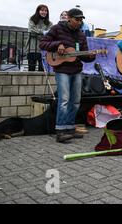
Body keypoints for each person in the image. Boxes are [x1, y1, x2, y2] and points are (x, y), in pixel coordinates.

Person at [39, 8, 96, 143]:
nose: (79, 22)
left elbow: (84, 56)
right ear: (69, 18)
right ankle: (60, 130)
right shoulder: (57, 29)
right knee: (64, 100)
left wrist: (90, 56)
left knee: (75, 101)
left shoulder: (81, 35)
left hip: (76, 70)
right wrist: (57, 44)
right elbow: (42, 43)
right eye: (77, 19)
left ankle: (70, 127)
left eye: (81, 20)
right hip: (62, 69)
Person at [25, 4, 53, 71]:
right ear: (38, 11)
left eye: (46, 11)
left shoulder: (49, 23)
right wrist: (44, 33)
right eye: (42, 10)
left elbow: (49, 34)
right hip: (32, 48)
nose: (44, 12)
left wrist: (41, 33)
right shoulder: (32, 20)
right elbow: (31, 32)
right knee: (31, 69)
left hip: (44, 49)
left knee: (42, 69)